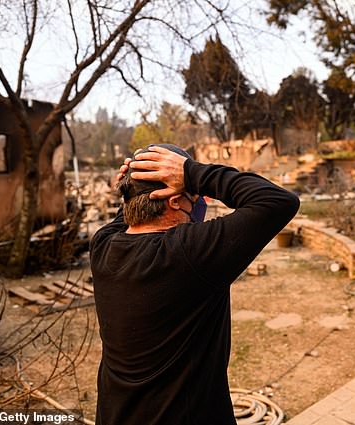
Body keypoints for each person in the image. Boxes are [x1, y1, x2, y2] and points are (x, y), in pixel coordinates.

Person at [90, 144, 300, 425]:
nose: (200, 201)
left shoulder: (104, 246)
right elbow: (277, 201)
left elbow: (128, 214)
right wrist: (191, 172)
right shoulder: (187, 253)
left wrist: (134, 183)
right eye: (194, 195)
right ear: (175, 201)